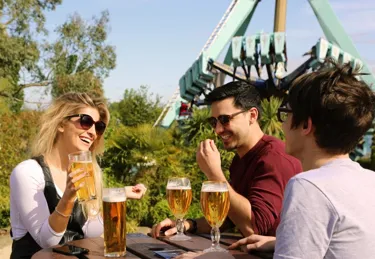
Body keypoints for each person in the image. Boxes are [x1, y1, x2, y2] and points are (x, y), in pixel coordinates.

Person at [229, 62, 375, 258]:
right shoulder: (369, 180)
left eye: (286, 114)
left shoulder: (309, 186)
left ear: (306, 125)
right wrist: (283, 241)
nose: (282, 125)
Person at [151, 81, 302, 238]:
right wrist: (188, 224)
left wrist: (214, 173)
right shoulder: (241, 159)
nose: (217, 130)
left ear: (252, 115)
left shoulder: (274, 158)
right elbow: (232, 217)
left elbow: (255, 229)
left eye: (225, 119)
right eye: (213, 122)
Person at [9, 92, 147, 259]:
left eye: (99, 126)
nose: (93, 132)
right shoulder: (28, 172)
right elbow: (48, 241)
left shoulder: (89, 171)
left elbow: (91, 230)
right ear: (61, 124)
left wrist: (117, 195)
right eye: (85, 121)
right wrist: (68, 198)